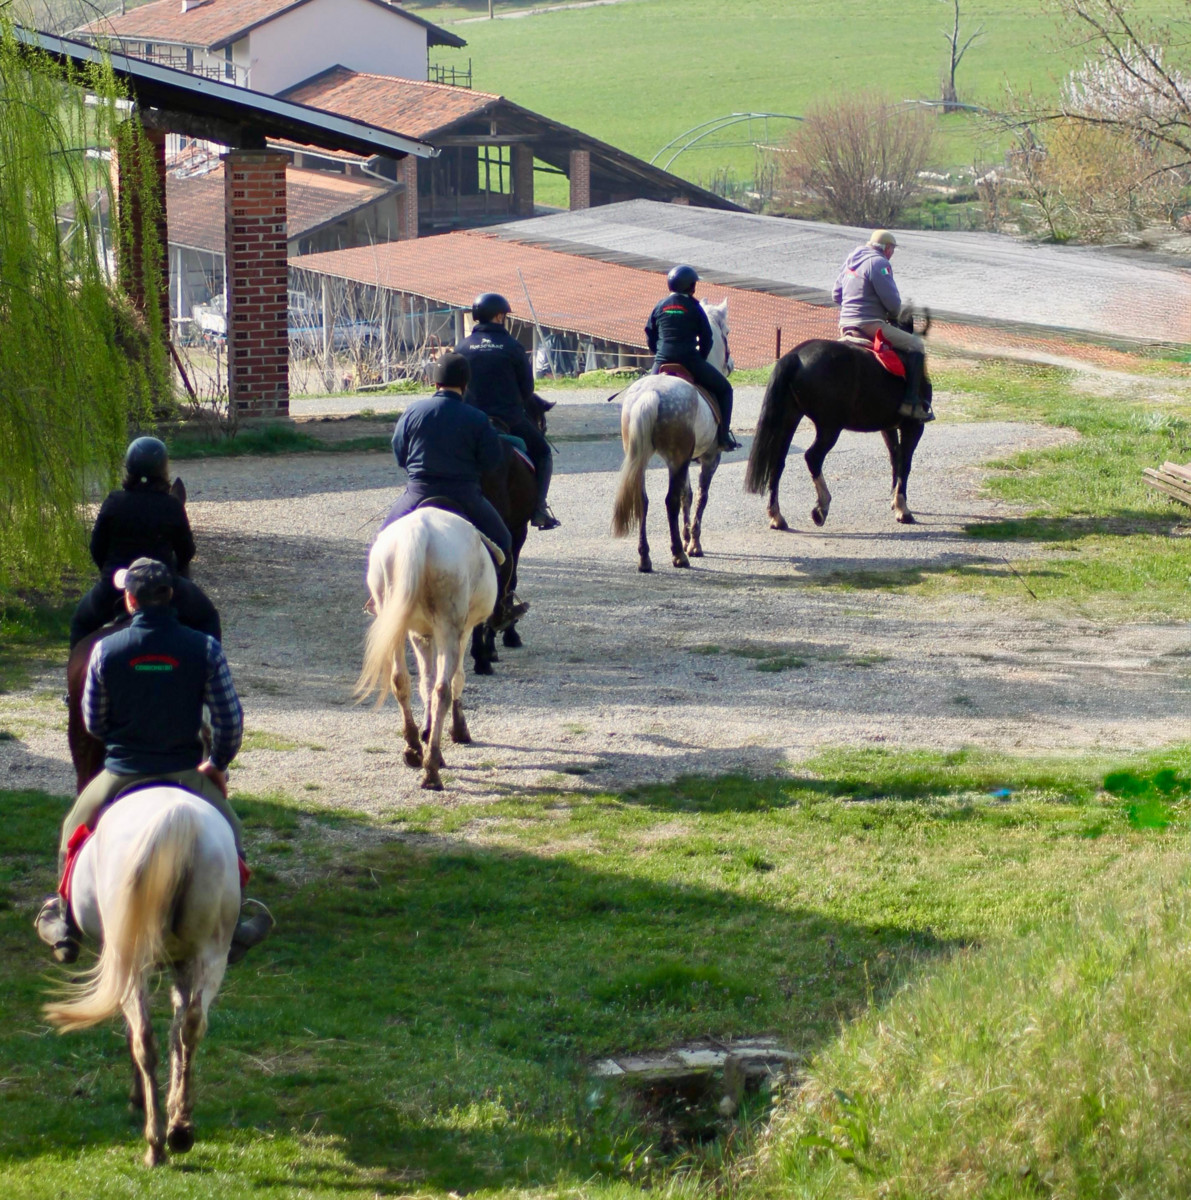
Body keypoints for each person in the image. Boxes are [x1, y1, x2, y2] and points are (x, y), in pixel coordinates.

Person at [35, 558, 272, 966]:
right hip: (185, 772)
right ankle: (233, 921)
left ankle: (65, 918)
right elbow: (229, 721)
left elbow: (93, 721)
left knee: (73, 826)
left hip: (122, 772)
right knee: (232, 832)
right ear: (171, 595)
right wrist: (216, 763)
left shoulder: (105, 650)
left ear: (129, 600)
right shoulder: (205, 648)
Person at [383, 352, 527, 629]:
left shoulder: (413, 411)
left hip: (418, 492)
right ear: (465, 384)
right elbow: (491, 462)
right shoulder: (477, 418)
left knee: (382, 542)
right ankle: (500, 608)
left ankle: (380, 601)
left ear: (434, 382)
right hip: (464, 495)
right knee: (504, 543)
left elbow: (399, 453)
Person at [70, 436, 222, 648]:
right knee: (208, 617)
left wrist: (111, 575)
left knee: (81, 623)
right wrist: (174, 572)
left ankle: (82, 670)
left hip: (117, 586)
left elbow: (97, 548)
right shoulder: (171, 505)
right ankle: (210, 667)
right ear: (163, 469)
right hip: (164, 586)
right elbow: (186, 551)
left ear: (129, 467)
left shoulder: (114, 501)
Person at [454, 293, 561, 530]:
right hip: (509, 420)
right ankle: (539, 508)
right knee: (543, 453)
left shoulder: (461, 347)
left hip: (470, 422)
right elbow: (527, 390)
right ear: (499, 316)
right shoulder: (513, 347)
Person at [833, 230, 933, 422]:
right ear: (887, 248)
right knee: (916, 344)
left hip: (845, 324)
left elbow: (836, 295)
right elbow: (893, 304)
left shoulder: (851, 259)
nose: (892, 253)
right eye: (892, 249)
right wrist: (892, 315)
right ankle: (910, 403)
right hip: (870, 324)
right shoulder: (879, 263)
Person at [645, 265, 740, 452]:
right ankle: (723, 437)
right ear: (691, 286)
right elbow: (707, 338)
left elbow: (649, 333)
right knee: (725, 390)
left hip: (662, 360)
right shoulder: (695, 307)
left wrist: (658, 353)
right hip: (689, 361)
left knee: (643, 390)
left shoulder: (660, 305)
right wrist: (701, 359)